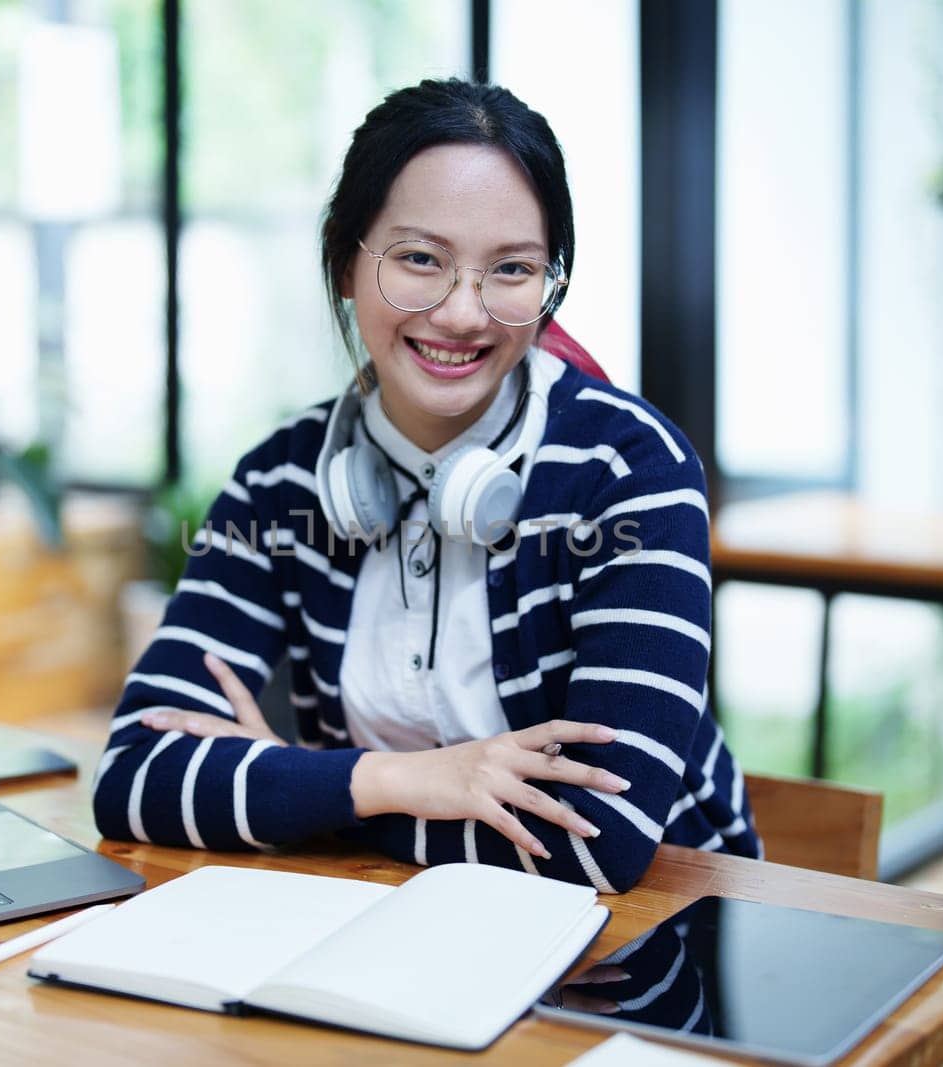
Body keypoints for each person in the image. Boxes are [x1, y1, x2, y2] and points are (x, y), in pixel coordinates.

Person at [93, 78, 760, 893]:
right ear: (346, 261)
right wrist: (406, 778)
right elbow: (134, 778)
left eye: (511, 269)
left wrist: (295, 783)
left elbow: (596, 847)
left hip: (655, 943)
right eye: (419, 258)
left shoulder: (631, 472)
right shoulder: (281, 481)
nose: (462, 314)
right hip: (392, 929)